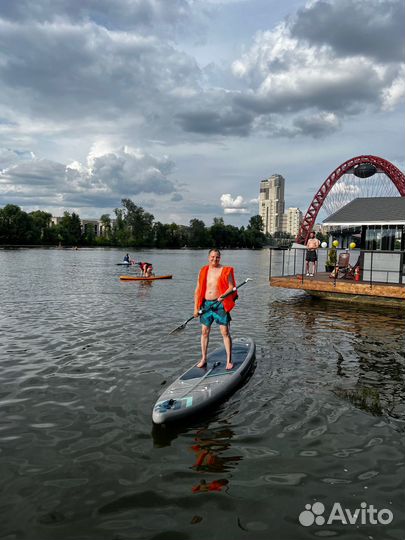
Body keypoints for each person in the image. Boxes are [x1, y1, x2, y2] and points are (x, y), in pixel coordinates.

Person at [194, 248, 237, 370]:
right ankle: (203, 358)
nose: (215, 259)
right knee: (204, 332)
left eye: (217, 257)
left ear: (220, 258)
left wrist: (223, 296)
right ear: (209, 257)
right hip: (206, 305)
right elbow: (197, 290)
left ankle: (229, 360)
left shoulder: (225, 270)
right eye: (212, 257)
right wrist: (196, 308)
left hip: (220, 305)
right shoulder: (203, 270)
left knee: (225, 332)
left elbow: (231, 287)